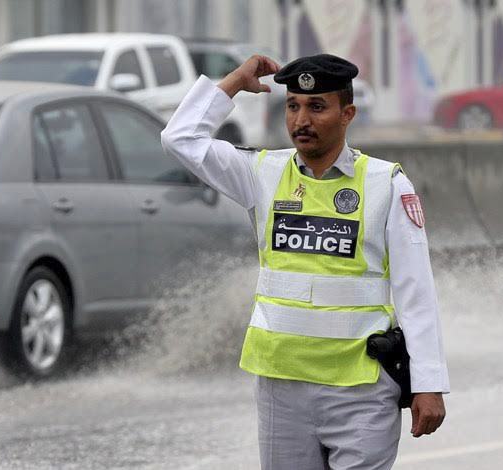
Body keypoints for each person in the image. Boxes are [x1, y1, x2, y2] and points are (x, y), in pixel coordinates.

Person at [160, 53, 449, 470]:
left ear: (347, 113)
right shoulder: (262, 172)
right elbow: (179, 139)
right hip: (282, 388)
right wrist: (234, 82)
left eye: (317, 107)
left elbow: (416, 292)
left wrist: (429, 384)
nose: (301, 120)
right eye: (292, 106)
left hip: (361, 390)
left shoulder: (386, 184)